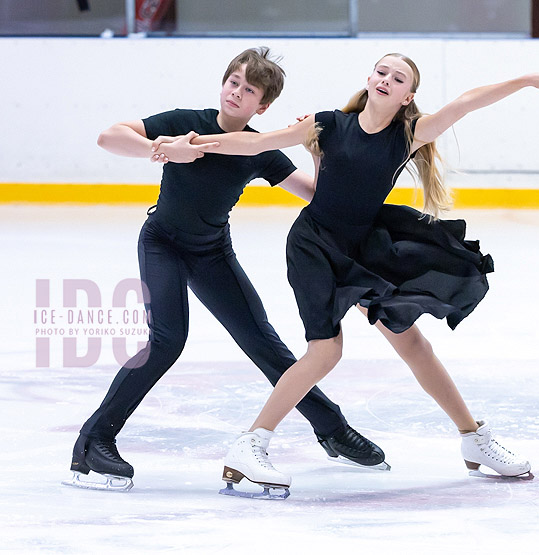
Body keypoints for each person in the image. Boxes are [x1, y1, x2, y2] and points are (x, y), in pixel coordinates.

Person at [151, 52, 539, 498]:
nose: (387, 79)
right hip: (314, 246)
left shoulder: (408, 134)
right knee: (325, 352)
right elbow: (258, 143)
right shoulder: (328, 124)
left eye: (399, 78)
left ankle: (474, 439)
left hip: (364, 247)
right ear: (369, 78)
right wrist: (189, 145)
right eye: (382, 71)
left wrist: (526, 79)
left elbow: (466, 103)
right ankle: (251, 443)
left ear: (408, 95)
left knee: (413, 343)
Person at [63, 47, 389, 493]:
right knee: (166, 341)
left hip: (212, 252)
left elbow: (316, 196)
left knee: (263, 341)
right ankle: (93, 441)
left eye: (248, 89)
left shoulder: (258, 149)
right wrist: (160, 150)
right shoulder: (185, 122)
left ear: (263, 106)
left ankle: (331, 427)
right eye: (232, 82)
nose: (236, 92)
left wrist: (320, 155)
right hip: (163, 243)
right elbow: (108, 137)